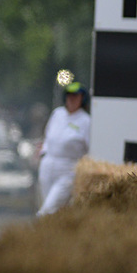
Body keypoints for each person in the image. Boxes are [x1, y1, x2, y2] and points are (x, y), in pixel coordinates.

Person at [36, 81, 91, 215]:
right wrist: (43, 153)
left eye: (75, 96)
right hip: (48, 164)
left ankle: (33, 232)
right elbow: (48, 136)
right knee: (52, 206)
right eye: (69, 96)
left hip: (68, 168)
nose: (71, 99)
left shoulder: (86, 121)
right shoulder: (57, 114)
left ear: (82, 99)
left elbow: (90, 148)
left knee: (49, 208)